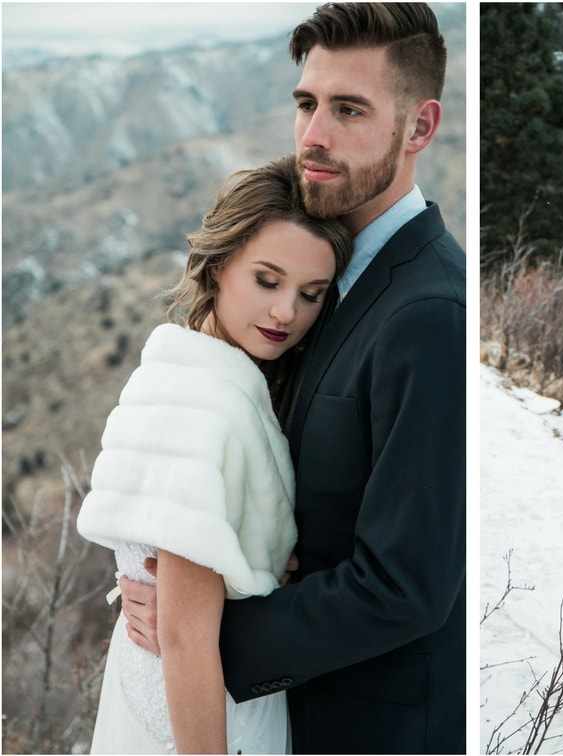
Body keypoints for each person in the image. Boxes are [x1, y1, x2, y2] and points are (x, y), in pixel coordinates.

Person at [118, 4, 467, 754]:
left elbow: (408, 583)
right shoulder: (322, 280)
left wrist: (209, 634)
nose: (313, 135)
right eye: (307, 104)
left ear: (419, 127)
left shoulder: (428, 311)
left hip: (374, 728)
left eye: (348, 110)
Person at [77, 155, 352, 754]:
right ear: (220, 264)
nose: (287, 313)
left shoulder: (182, 367)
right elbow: (184, 639)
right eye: (267, 280)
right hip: (200, 710)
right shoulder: (207, 406)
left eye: (311, 294)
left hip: (162, 685)